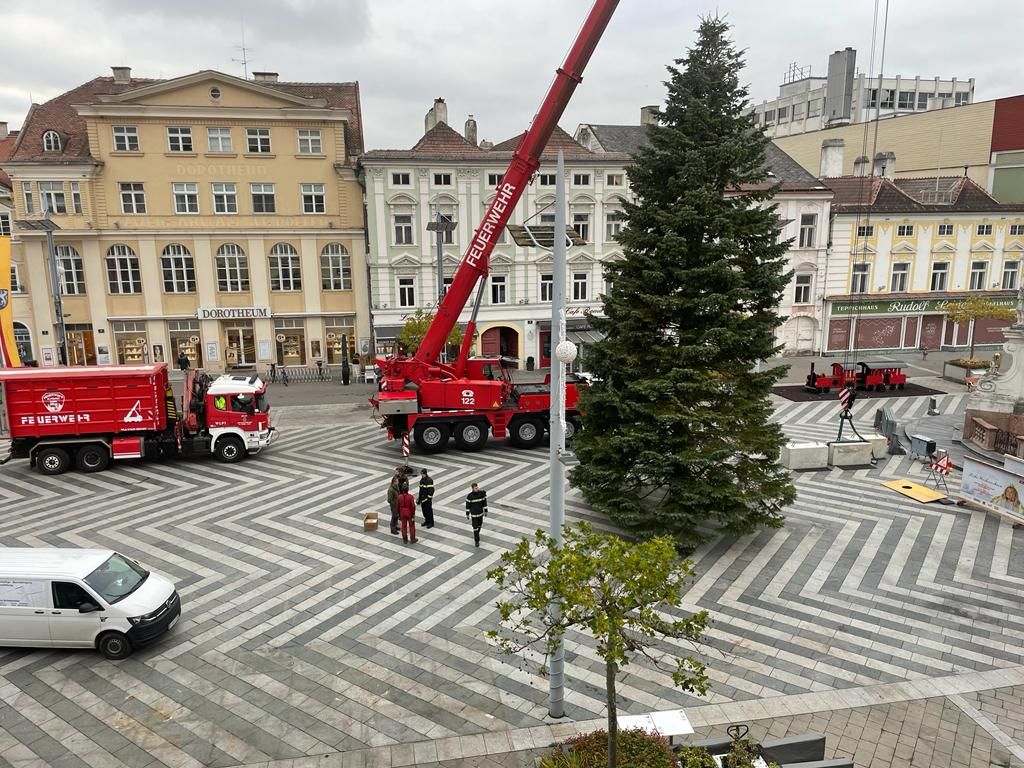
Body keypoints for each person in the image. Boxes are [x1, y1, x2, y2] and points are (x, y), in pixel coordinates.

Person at [465, 482, 488, 548]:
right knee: (475, 528)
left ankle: (477, 534)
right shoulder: (469, 496)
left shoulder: (481, 494)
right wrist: (467, 514)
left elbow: (484, 503)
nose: (477, 489)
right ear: (472, 489)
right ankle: (476, 541)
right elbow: (467, 506)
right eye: (475, 488)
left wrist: (486, 511)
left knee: (479, 526)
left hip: (480, 514)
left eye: (477, 487)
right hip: (474, 515)